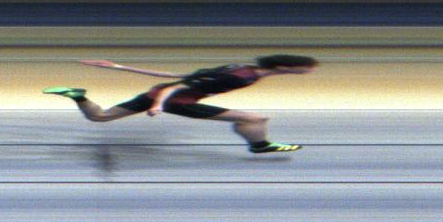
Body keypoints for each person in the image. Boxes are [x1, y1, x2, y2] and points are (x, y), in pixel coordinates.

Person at [42, 54, 318, 153]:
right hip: (177, 101)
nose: (306, 73)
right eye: (303, 70)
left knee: (99, 117)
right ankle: (260, 145)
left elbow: (178, 76)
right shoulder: (241, 75)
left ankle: (78, 95)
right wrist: (158, 106)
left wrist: (118, 66)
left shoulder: (239, 67)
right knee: (255, 119)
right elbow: (177, 87)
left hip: (157, 93)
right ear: (285, 67)